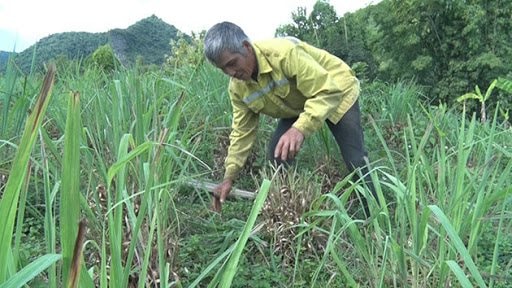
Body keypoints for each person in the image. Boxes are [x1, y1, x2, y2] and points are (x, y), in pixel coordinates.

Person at [204, 21, 377, 214]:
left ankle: (375, 216)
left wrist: (299, 129)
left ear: (246, 47)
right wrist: (229, 177)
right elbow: (241, 132)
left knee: (355, 157)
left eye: (232, 64)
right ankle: (289, 210)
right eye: (223, 69)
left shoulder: (284, 53)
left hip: (335, 89)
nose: (231, 73)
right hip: (298, 103)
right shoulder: (237, 88)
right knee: (278, 154)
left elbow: (327, 91)